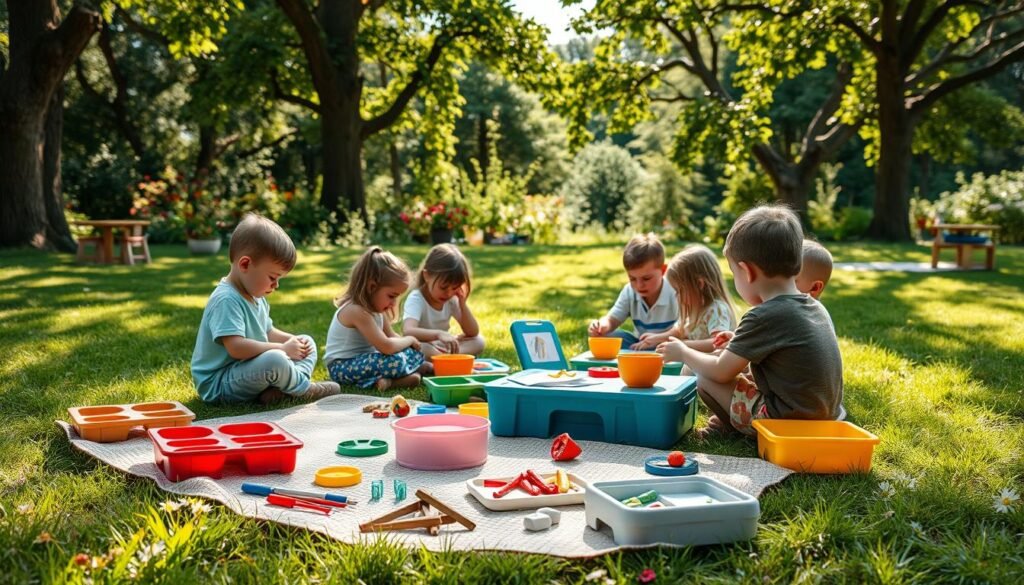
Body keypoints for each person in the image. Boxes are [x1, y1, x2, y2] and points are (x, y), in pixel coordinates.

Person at [657, 205, 843, 437]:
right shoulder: (812, 305)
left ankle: (730, 428)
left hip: (787, 424)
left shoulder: (763, 315)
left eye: (734, 273)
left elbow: (720, 373)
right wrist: (737, 341)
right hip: (826, 416)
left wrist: (683, 352)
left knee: (701, 372)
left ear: (747, 272)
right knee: (719, 362)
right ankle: (733, 423)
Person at [191, 214, 340, 405]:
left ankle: (284, 388)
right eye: (272, 277)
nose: (276, 285)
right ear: (245, 264)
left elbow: (267, 332)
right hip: (220, 384)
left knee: (306, 342)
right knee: (275, 359)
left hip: (246, 372)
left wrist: (292, 341)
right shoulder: (226, 299)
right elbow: (236, 347)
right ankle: (304, 389)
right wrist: (282, 348)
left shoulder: (255, 296)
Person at [324, 247, 427, 391]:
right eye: (391, 296)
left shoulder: (377, 310)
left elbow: (392, 337)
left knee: (408, 353)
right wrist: (409, 340)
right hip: (342, 367)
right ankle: (396, 380)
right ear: (371, 287)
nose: (393, 303)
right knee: (395, 361)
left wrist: (411, 349)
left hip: (367, 361)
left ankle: (387, 380)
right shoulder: (356, 311)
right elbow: (387, 346)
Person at [634, 244, 737, 352]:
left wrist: (684, 345)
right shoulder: (695, 308)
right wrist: (657, 338)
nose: (676, 296)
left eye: (679, 291)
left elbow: (717, 342)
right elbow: (680, 331)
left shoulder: (716, 309)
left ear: (699, 284)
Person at [588, 233, 678, 349]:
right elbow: (613, 319)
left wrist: (658, 339)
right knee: (606, 336)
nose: (639, 285)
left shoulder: (675, 291)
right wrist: (600, 326)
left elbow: (684, 330)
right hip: (640, 344)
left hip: (669, 344)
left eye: (646, 278)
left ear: (663, 270)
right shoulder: (629, 291)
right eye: (632, 279)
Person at [402, 244, 484, 362]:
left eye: (455, 288)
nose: (449, 293)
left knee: (479, 341)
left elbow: (472, 332)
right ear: (427, 276)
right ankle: (452, 358)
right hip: (423, 345)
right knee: (423, 348)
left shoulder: (451, 299)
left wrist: (462, 304)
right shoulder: (416, 298)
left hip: (441, 345)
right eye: (443, 287)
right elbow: (408, 331)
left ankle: (447, 358)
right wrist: (438, 334)